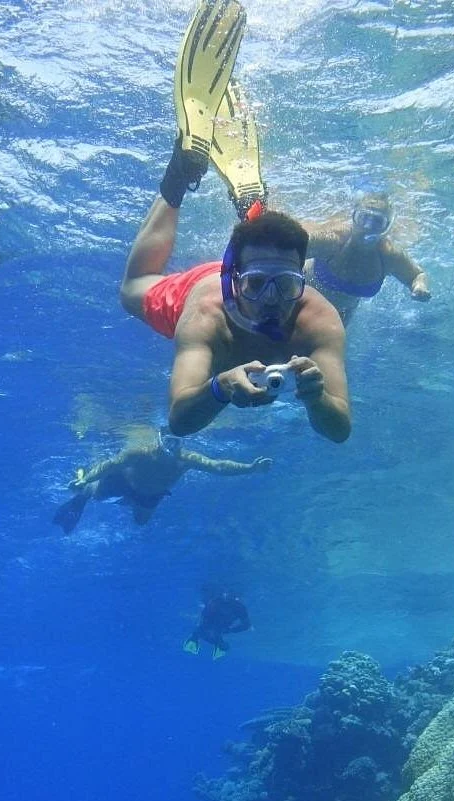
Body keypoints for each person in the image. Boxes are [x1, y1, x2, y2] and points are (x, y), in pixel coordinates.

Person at [119, 0, 351, 444]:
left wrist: (318, 396)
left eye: (284, 286)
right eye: (255, 285)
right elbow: (179, 421)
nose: (270, 300)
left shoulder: (319, 320)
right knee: (133, 290)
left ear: (302, 281)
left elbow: (339, 428)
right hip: (195, 288)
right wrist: (218, 388)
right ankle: (177, 181)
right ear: (234, 278)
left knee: (141, 287)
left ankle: (253, 210)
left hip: (240, 266)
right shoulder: (205, 316)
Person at [53, 429, 270, 534]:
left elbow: (218, 466)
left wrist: (250, 468)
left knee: (140, 522)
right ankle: (81, 496)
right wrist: (86, 481)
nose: (172, 446)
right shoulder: (139, 452)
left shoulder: (186, 459)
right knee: (96, 494)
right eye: (168, 441)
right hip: (124, 481)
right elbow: (111, 465)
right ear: (158, 439)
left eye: (177, 442)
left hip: (150, 494)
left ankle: (127, 500)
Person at [304, 191, 431, 325]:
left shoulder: (389, 256)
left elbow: (416, 275)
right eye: (363, 218)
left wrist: (419, 286)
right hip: (300, 297)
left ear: (387, 227)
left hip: (342, 313)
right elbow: (291, 247)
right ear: (353, 218)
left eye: (377, 222)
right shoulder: (333, 241)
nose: (368, 227)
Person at [185, 587, 251, 659]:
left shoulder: (238, 607)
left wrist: (231, 630)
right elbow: (246, 625)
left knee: (208, 632)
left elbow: (246, 625)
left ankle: (204, 639)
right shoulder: (238, 607)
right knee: (208, 632)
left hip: (215, 626)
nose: (226, 595)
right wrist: (230, 630)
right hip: (214, 625)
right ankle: (209, 640)